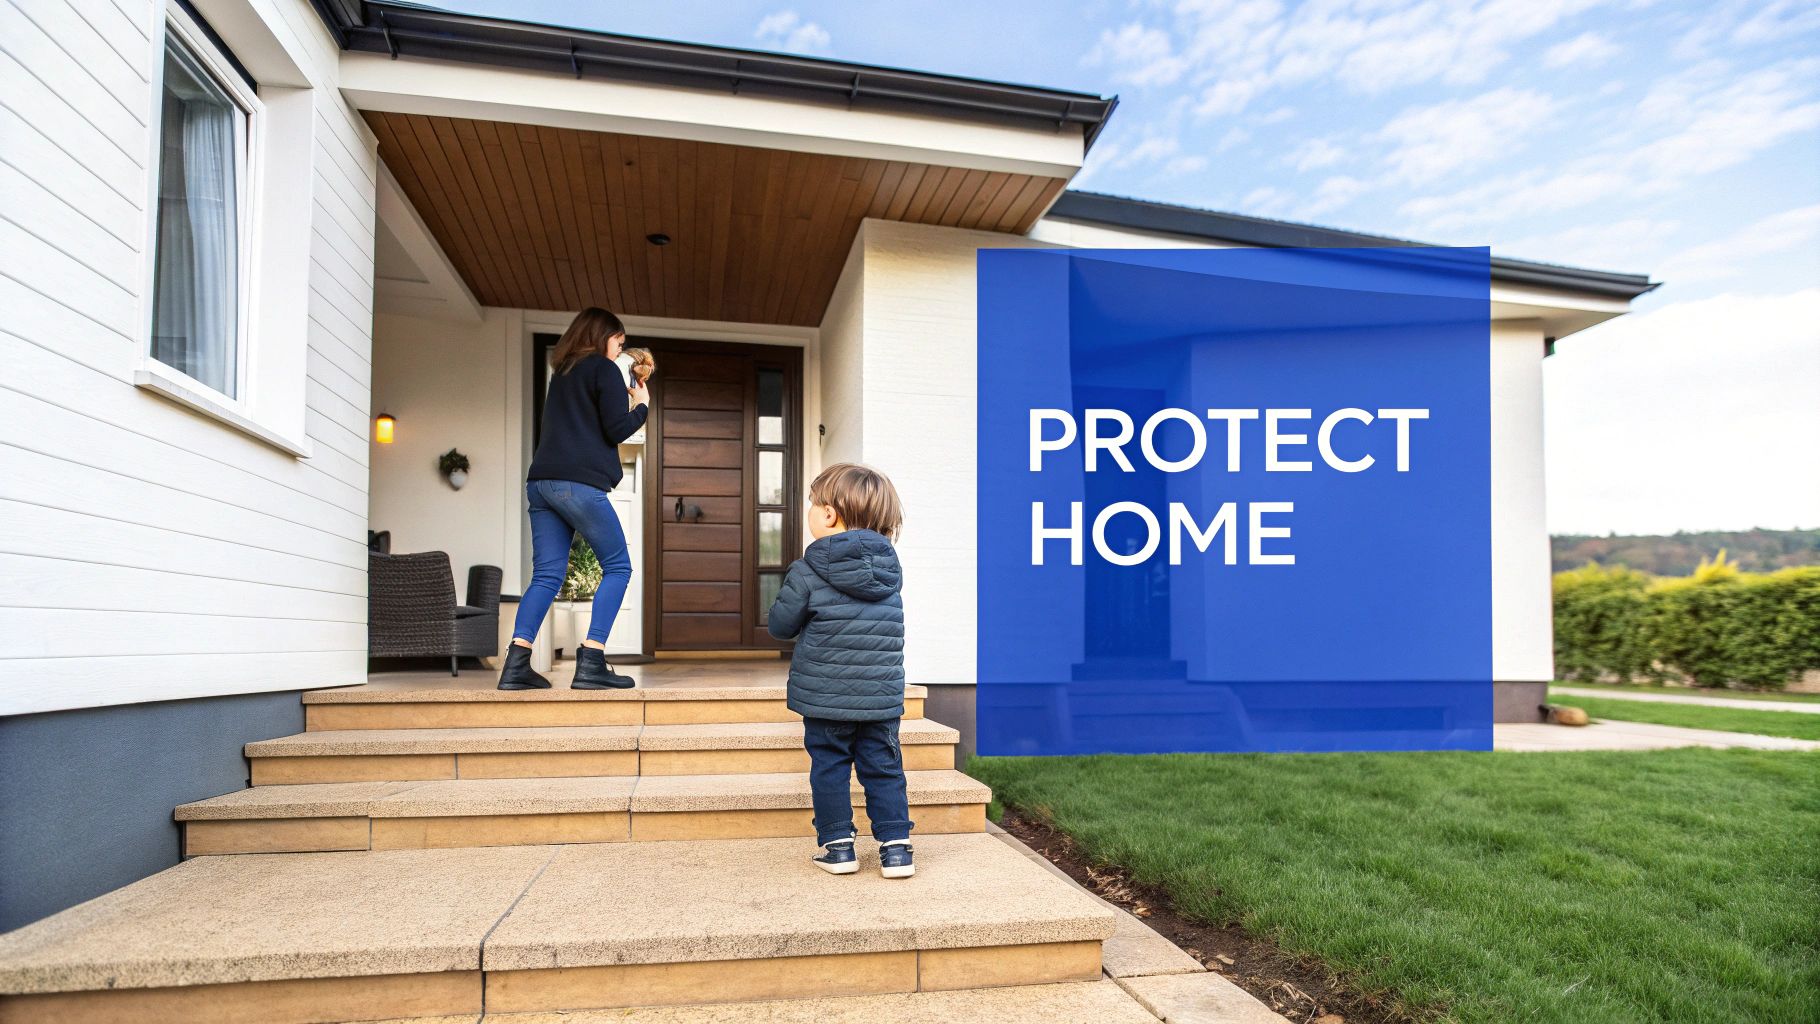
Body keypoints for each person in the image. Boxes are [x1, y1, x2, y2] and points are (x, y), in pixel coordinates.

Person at [766, 463, 914, 878]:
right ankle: (897, 850)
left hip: (826, 699)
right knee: (884, 768)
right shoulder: (889, 571)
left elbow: (781, 627)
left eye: (813, 506)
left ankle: (839, 849)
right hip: (880, 698)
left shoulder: (808, 569)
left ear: (829, 514)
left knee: (829, 767)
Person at [498, 307, 648, 691]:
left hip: (541, 484)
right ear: (603, 336)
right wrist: (642, 404)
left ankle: (516, 665)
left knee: (547, 575)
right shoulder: (603, 368)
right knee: (618, 567)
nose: (621, 349)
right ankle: (592, 661)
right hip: (578, 486)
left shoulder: (562, 374)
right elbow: (616, 429)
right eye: (619, 340)